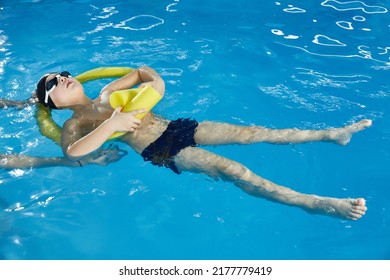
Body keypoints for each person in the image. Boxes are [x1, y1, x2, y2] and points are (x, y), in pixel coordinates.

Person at [29, 66, 374, 220]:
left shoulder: (108, 90)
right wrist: (114, 124)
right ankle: (315, 203)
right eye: (53, 84)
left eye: (63, 73)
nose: (63, 78)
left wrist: (156, 82)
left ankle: (332, 134)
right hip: (160, 148)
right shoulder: (76, 123)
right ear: (52, 105)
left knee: (252, 132)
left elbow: (142, 72)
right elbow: (73, 151)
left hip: (175, 126)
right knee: (231, 168)